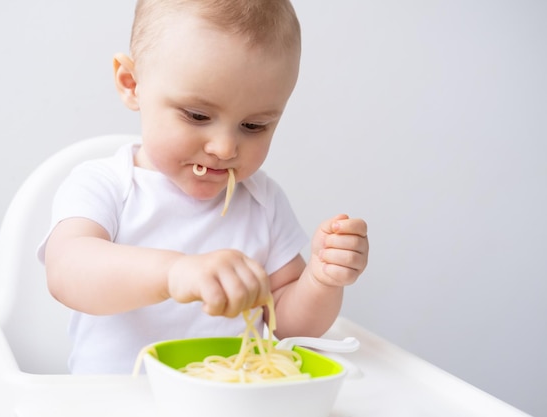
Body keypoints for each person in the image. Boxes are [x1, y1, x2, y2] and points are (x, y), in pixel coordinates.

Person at [38, 0, 369, 374]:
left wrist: (321, 280)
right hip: (117, 400)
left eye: (254, 125)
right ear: (132, 85)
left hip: (228, 399)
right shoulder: (106, 184)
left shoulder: (263, 203)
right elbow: (67, 271)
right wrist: (173, 273)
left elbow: (289, 326)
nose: (225, 148)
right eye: (197, 116)